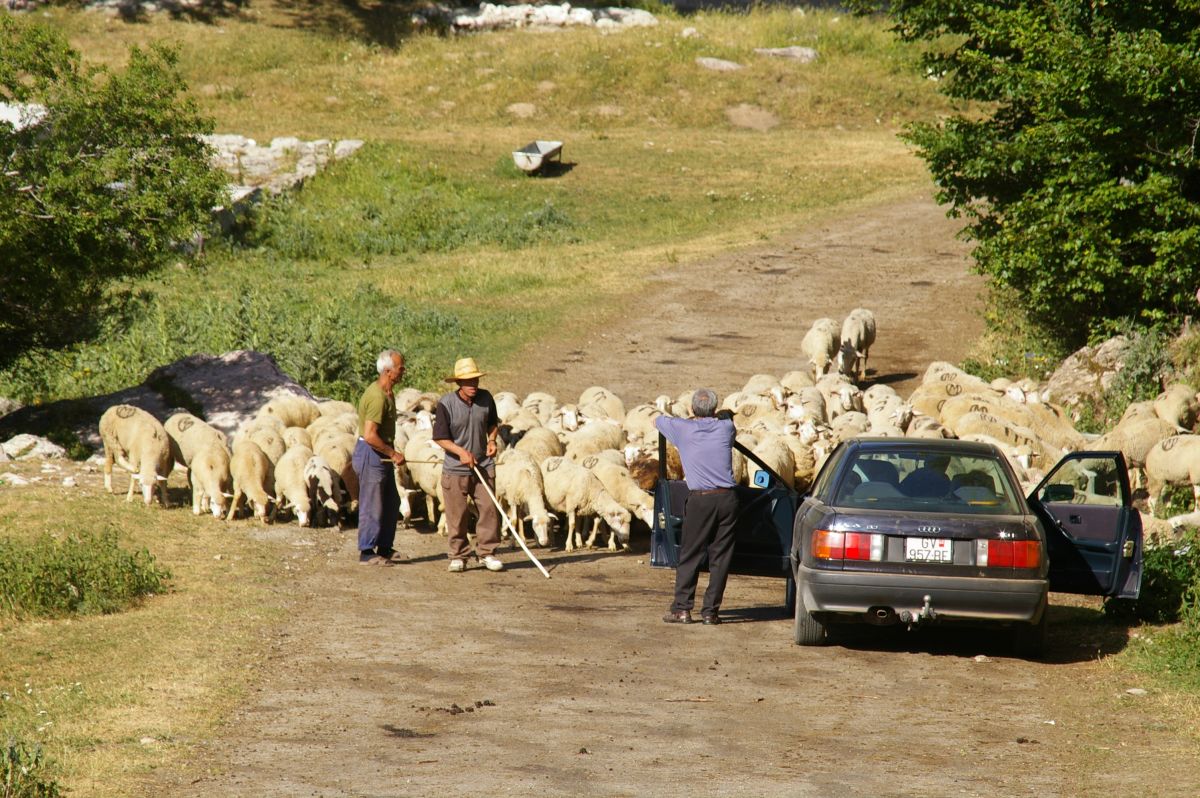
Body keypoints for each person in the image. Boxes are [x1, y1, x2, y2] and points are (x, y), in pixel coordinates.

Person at [655, 388, 739, 625]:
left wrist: (686, 420)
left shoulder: (682, 428)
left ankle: (682, 609)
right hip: (727, 499)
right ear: (714, 408)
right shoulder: (726, 428)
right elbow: (728, 420)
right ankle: (711, 612)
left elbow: (658, 419)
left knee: (690, 553)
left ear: (692, 409)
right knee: (721, 557)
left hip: (701, 499)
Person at [432, 357, 504, 573]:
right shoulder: (446, 404)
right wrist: (461, 452)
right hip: (456, 468)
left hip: (482, 465)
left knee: (489, 509)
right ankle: (458, 554)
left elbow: (493, 424)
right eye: (468, 382)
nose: (473, 386)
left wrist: (491, 441)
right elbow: (440, 438)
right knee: (457, 513)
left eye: (475, 381)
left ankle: (487, 553)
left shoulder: (486, 398)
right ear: (459, 383)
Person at [352, 349, 407, 566]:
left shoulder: (388, 394)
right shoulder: (376, 397)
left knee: (391, 501)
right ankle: (367, 550)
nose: (403, 371)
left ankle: (384, 546)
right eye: (400, 368)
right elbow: (370, 435)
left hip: (381, 454)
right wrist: (393, 453)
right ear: (387, 371)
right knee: (372, 503)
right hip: (371, 453)